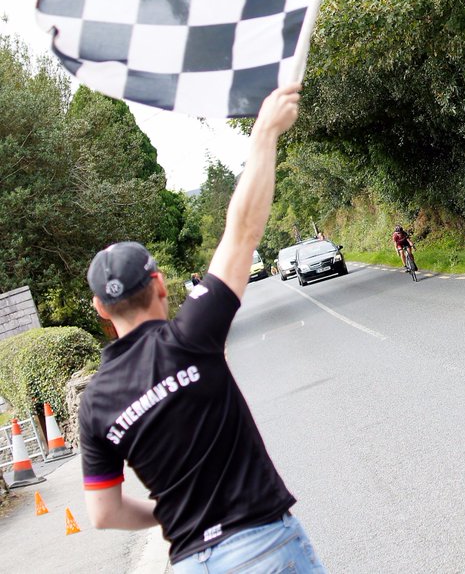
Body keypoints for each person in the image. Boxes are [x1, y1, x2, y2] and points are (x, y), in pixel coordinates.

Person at [77, 84, 327, 572]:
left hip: (190, 562)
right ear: (161, 285)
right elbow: (242, 233)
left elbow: (103, 512)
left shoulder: (94, 404)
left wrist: (171, 514)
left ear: (100, 310)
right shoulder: (191, 334)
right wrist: (265, 133)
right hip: (261, 545)